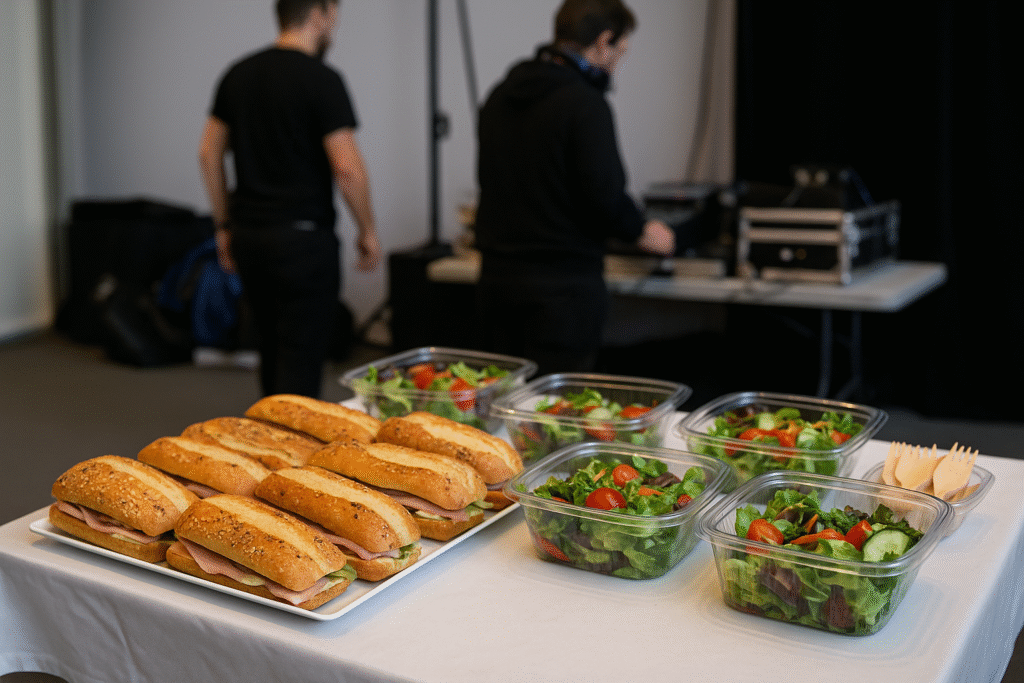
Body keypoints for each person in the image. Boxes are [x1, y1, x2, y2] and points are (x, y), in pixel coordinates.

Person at [473, 0, 675, 376]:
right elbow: (603, 198)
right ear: (603, 42)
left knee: (498, 414)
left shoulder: (500, 95)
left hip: (496, 286)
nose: (617, 63)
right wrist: (645, 230)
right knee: (554, 423)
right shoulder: (585, 104)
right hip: (562, 294)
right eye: (620, 51)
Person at [198, 0, 380, 399]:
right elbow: (347, 169)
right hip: (303, 242)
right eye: (334, 16)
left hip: (250, 238)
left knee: (270, 350)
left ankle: (269, 447)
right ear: (318, 14)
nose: (334, 26)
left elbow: (208, 153)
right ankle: (290, 455)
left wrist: (223, 225)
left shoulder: (238, 75)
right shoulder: (322, 79)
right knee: (300, 360)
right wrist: (368, 229)